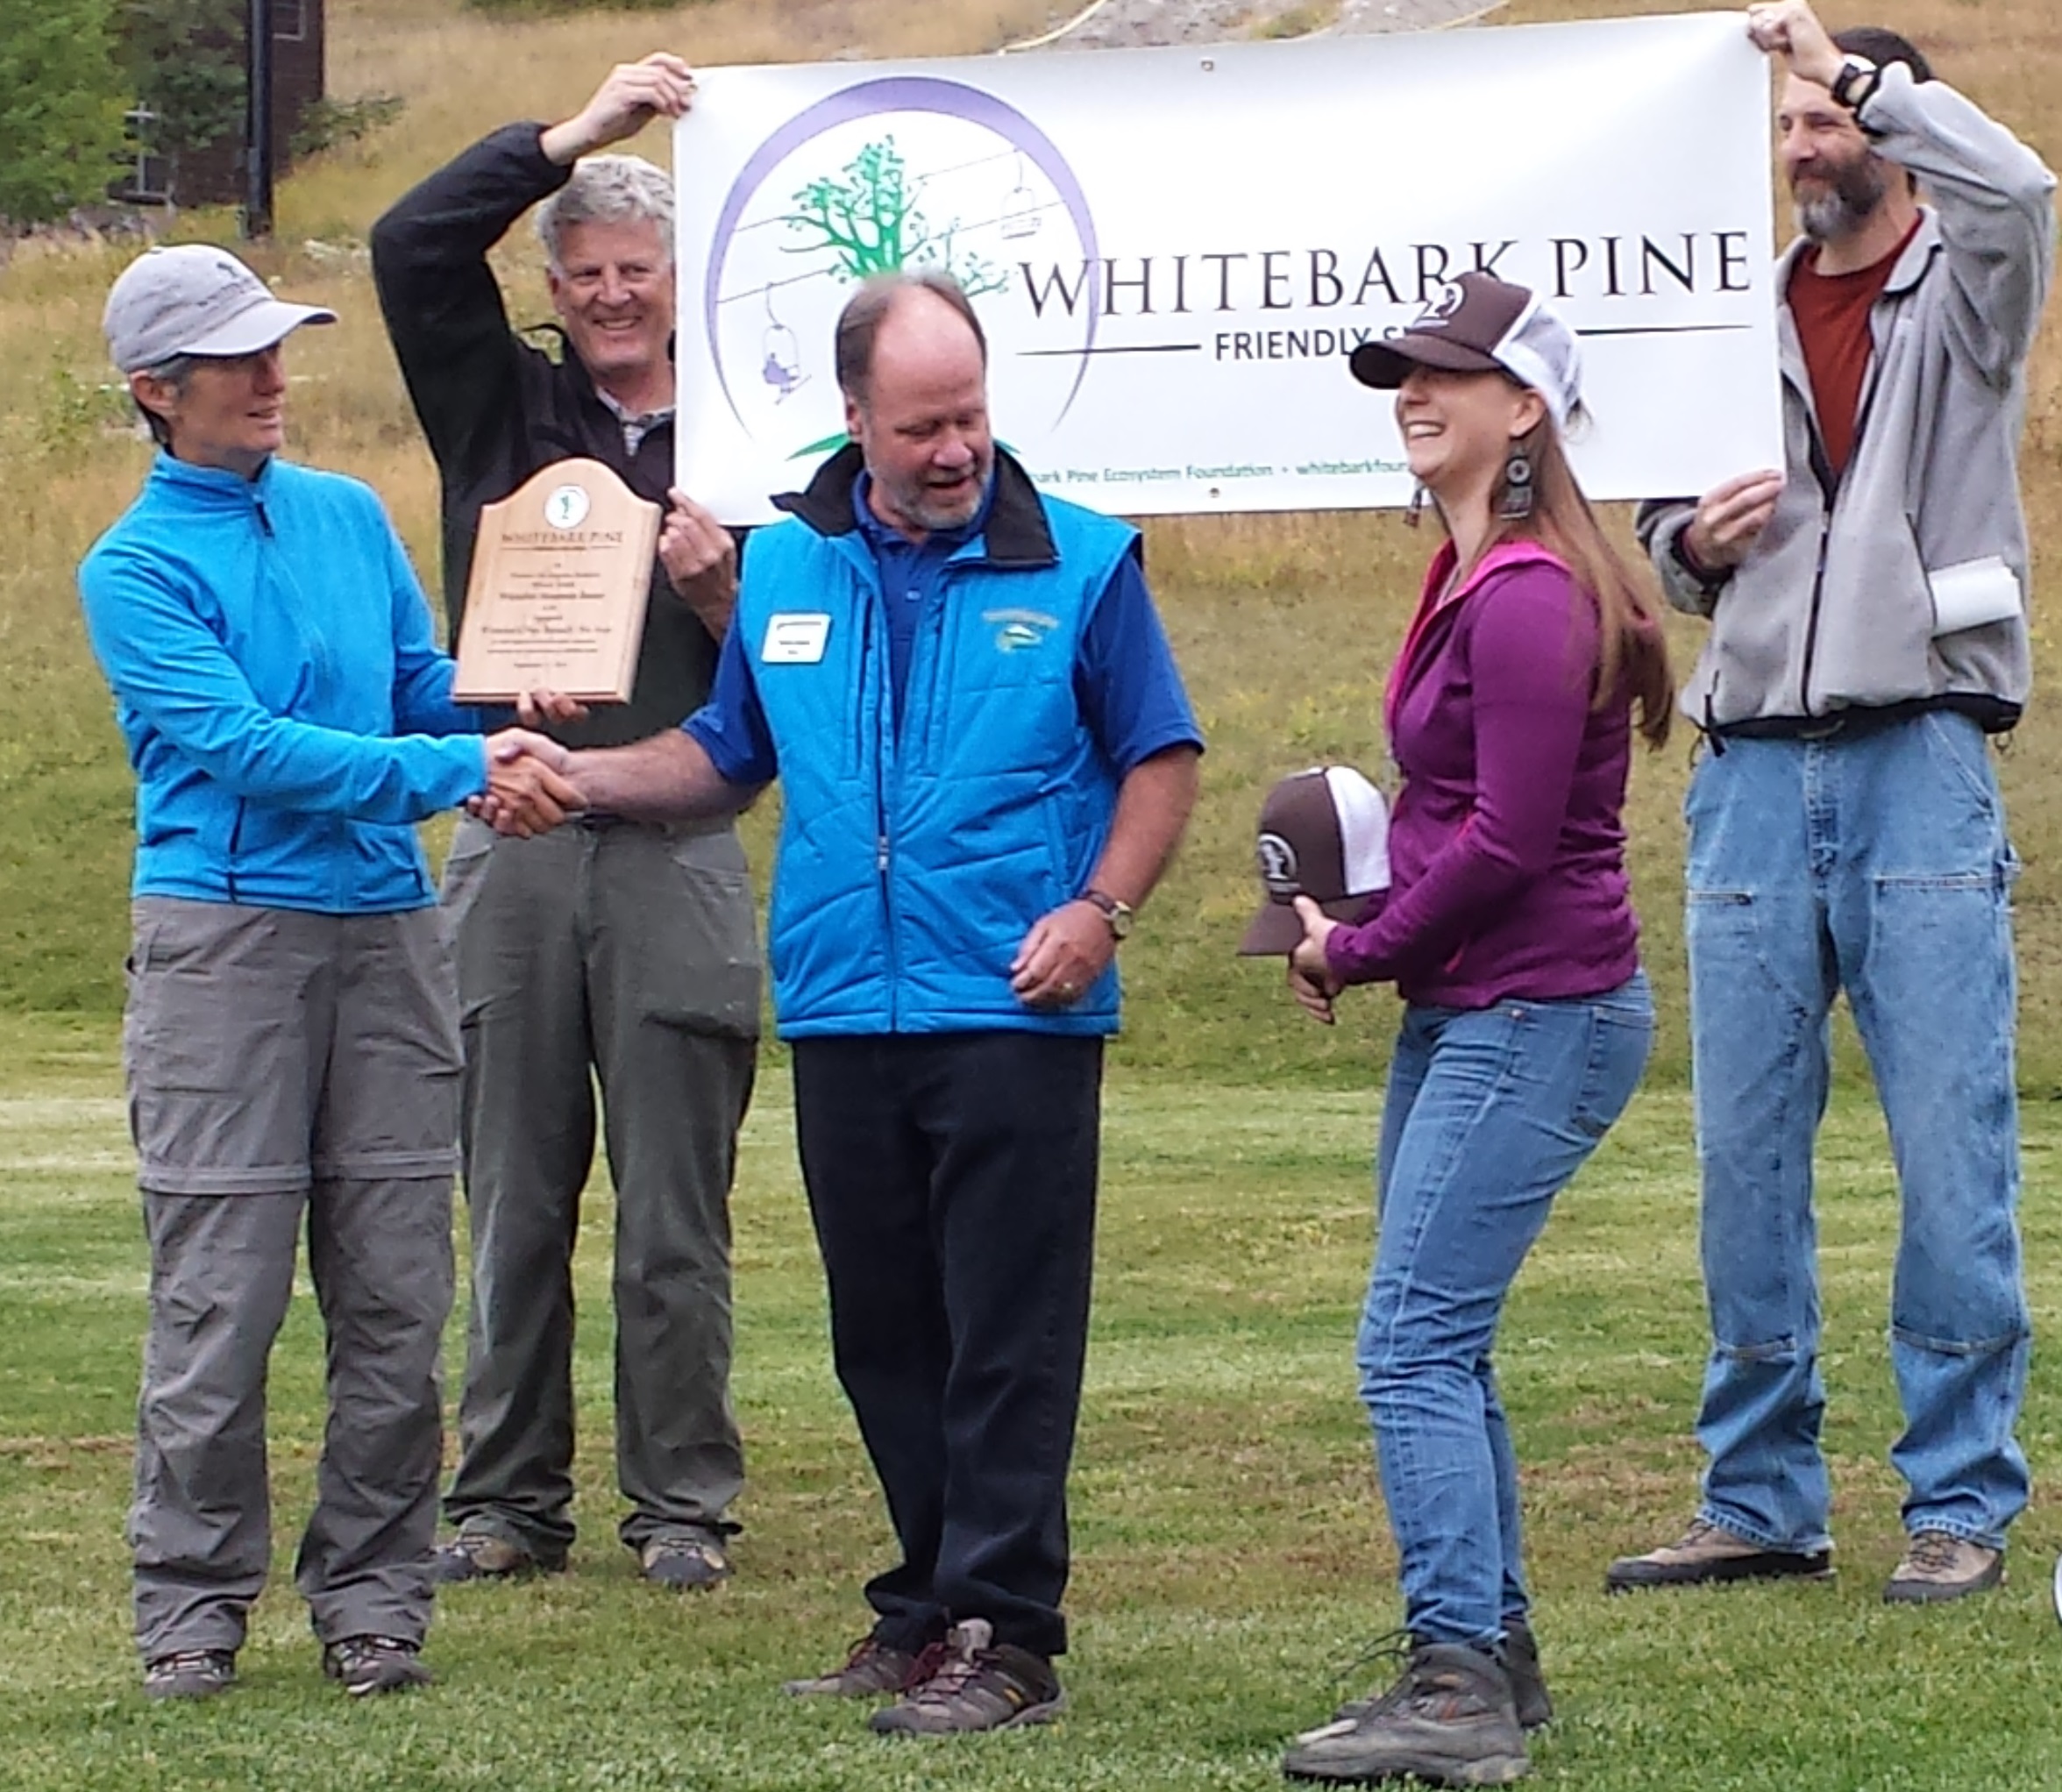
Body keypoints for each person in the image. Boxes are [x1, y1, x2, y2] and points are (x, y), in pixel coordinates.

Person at [484, 269, 1204, 1735]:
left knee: (1005, 1334)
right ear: (856, 417)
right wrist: (583, 780)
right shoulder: (789, 570)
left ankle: (1007, 1635)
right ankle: (926, 1602)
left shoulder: (1081, 561)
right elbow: (724, 757)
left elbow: (1161, 755)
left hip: (1012, 1007)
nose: (956, 451)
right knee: (883, 1335)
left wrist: (1098, 910)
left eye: (974, 418)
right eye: (925, 423)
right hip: (840, 1009)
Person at [78, 245, 579, 1701]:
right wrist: (453, 762)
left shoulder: (349, 519)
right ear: (155, 394)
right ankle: (190, 1607)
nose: (271, 378)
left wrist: (506, 705)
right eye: (236, 359)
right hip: (223, 951)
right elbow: (245, 751)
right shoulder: (136, 567)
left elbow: (417, 687)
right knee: (219, 1301)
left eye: (277, 349)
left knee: (397, 1297)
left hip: (386, 939)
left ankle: (375, 1601)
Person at [1609, 0, 2055, 1606]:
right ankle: (1759, 1497)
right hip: (1746, 772)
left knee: (1951, 1149)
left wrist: (1850, 62)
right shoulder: (1731, 313)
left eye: (1830, 119)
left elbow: (2029, 197)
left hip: (1919, 757)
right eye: (1790, 126)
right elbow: (1665, 512)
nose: (1807, 144)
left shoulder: (1971, 290)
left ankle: (1958, 1500)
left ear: (1894, 127)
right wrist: (1690, 550)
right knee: (1743, 1159)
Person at [1263, 271, 1671, 1787]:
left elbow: (1504, 843)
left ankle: (1454, 1686)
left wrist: (1359, 948)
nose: (1412, 396)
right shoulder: (1476, 574)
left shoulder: (1528, 594)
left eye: (1446, 374)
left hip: (1534, 1010)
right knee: (1444, 1338)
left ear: (1525, 410)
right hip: (1489, 1004)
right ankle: (1490, 1659)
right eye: (1401, 375)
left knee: (1410, 1345)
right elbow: (1466, 824)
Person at [370, 53, 762, 1591]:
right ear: (551, 276)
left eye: (637, 272)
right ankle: (505, 1502)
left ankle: (682, 1506)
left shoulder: (753, 438)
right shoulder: (502, 410)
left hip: (678, 847)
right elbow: (410, 248)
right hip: (511, 842)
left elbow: (794, 683)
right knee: (513, 1198)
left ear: (682, 282)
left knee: (676, 1213)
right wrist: (573, 136)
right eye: (586, 272)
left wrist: (722, 597)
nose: (612, 296)